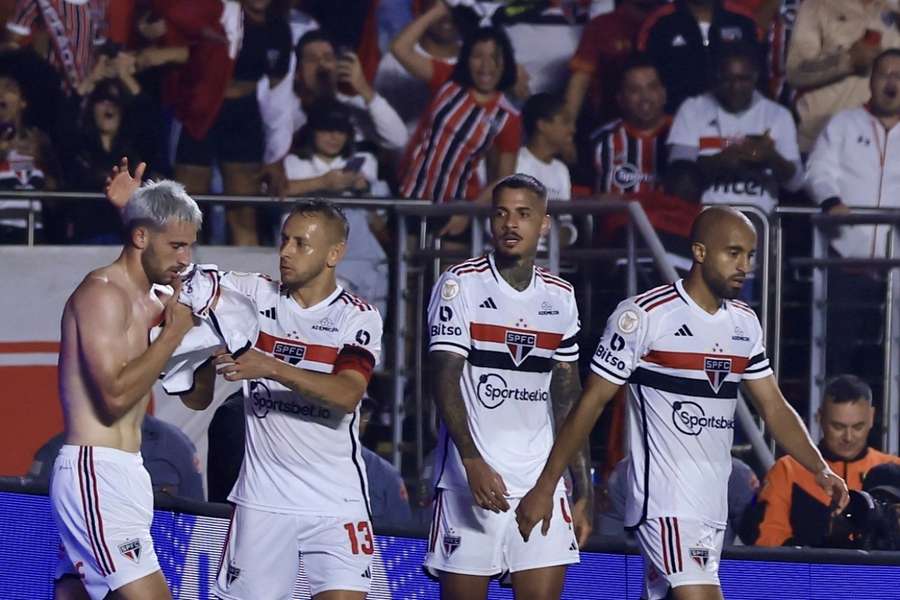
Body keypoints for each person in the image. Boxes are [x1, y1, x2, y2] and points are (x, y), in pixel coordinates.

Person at [515, 206, 849, 600]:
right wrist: (547, 485)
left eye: (750, 255)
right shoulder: (644, 317)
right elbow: (590, 404)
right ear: (700, 252)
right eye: (733, 253)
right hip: (666, 505)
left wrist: (820, 469)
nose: (744, 265)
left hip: (712, 506)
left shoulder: (744, 323)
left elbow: (773, 407)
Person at [178, 200, 384, 600]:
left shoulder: (357, 317)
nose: (286, 251)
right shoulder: (252, 294)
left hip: (336, 501)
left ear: (334, 254)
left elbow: (347, 393)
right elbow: (184, 279)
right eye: (284, 240)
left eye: (301, 244)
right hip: (263, 502)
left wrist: (271, 367)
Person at [424, 174, 592, 600]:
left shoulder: (560, 296)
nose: (510, 224)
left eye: (523, 214)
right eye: (501, 213)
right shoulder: (459, 284)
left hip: (541, 485)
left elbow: (568, 397)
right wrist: (471, 460)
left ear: (544, 224)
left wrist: (582, 485)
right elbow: (442, 378)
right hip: (470, 483)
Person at [50, 161, 199, 600]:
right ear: (140, 238)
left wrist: (131, 210)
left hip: (127, 472)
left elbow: (195, 394)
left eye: (190, 246)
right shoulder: (101, 294)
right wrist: (173, 333)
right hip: (95, 471)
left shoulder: (153, 297)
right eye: (176, 246)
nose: (185, 259)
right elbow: (113, 396)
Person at [805, 49, 900, 374]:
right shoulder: (844, 123)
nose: (892, 82)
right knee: (840, 360)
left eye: (898, 75)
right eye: (884, 74)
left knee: (891, 366)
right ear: (871, 82)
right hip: (847, 265)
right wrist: (831, 201)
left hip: (898, 270)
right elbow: (818, 170)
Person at [174, 0, 293, 246]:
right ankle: (181, 280)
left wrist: (276, 154)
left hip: (243, 115)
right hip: (203, 110)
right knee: (186, 207)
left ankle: (246, 281)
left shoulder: (279, 29)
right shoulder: (216, 14)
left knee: (242, 212)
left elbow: (279, 96)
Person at [394, 2, 521, 231]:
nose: (486, 66)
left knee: (446, 267)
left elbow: (503, 180)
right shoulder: (447, 80)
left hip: (453, 211)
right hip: (408, 194)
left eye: (494, 57)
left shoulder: (507, 117)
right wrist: (440, 9)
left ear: (506, 62)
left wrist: (470, 211)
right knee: (404, 264)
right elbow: (399, 48)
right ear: (466, 58)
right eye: (478, 56)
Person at [751, 374, 900, 547]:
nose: (848, 437)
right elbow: (768, 543)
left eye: (858, 426)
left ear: (872, 417)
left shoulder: (893, 471)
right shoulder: (788, 470)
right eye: (838, 426)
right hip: (808, 571)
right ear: (819, 417)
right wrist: (828, 541)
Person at [667, 43, 803, 214]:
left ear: (755, 77)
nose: (735, 87)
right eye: (727, 79)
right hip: (705, 220)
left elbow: (795, 184)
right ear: (716, 77)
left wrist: (771, 157)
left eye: (743, 79)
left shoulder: (778, 115)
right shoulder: (692, 109)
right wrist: (719, 162)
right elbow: (678, 182)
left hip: (759, 223)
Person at [785, 0, 900, 152]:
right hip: (821, 141)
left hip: (883, 148)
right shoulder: (818, 5)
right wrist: (847, 60)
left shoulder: (895, 8)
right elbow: (795, 73)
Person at [30, 414, 204, 502]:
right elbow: (34, 516)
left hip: (159, 556)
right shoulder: (59, 449)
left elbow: (198, 514)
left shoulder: (173, 444)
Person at [637, 0, 763, 113]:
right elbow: (644, 78)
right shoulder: (658, 23)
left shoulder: (742, 20)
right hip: (677, 121)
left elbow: (761, 76)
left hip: (739, 120)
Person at [564, 0, 663, 126]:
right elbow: (580, 80)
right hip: (611, 123)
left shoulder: (674, 22)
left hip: (669, 124)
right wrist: (567, 125)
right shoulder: (602, 25)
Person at [375, 0, 459, 136]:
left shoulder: (474, 60)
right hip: (407, 152)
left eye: (453, 9)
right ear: (421, 14)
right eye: (438, 8)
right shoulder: (393, 62)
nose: (446, 16)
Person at [592, 55, 670, 195]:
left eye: (652, 88)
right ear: (620, 99)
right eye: (635, 90)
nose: (645, 97)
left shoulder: (684, 136)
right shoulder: (600, 140)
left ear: (664, 94)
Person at [516, 93, 577, 248]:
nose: (572, 129)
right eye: (565, 122)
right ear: (542, 125)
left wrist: (566, 234)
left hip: (550, 262)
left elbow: (566, 223)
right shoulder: (517, 163)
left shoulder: (561, 170)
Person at [359, 396, 414, 530]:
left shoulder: (385, 474)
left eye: (363, 413)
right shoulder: (304, 461)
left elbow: (401, 534)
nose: (357, 419)